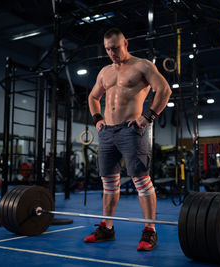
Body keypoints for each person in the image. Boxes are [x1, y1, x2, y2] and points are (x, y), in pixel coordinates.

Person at [84, 28, 171, 251]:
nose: (111, 52)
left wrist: (148, 117)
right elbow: (93, 97)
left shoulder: (142, 66)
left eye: (115, 47)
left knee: (140, 180)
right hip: (107, 132)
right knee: (109, 183)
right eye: (107, 49)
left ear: (126, 43)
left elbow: (164, 90)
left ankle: (150, 231)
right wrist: (97, 120)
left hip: (131, 130)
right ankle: (107, 228)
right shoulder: (105, 71)